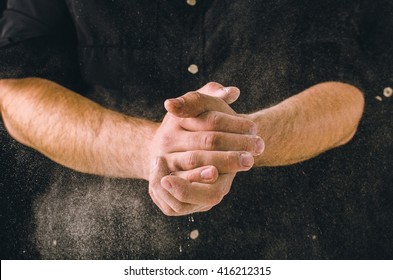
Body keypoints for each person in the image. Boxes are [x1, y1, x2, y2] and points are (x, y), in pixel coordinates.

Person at [0, 0, 391, 259]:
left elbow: (351, 92)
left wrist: (231, 144)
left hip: (300, 252)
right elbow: (16, 90)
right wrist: (155, 152)